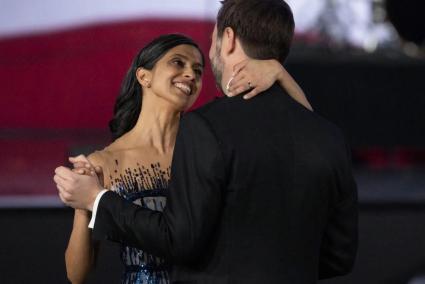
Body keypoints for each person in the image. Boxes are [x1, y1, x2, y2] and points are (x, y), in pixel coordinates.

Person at [55, 0, 357, 282]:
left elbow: (181, 241)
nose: (191, 74)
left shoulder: (206, 132)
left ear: (228, 39)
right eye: (177, 62)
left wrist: (97, 200)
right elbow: (338, 257)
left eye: (198, 67)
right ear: (143, 76)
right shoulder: (326, 135)